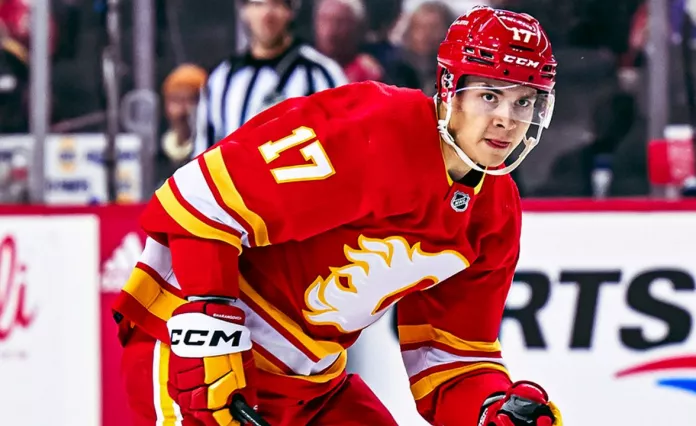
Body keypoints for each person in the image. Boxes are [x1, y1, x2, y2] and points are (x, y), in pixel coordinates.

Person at [114, 6, 561, 426]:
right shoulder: (372, 127)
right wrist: (210, 321)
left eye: (524, 102)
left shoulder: (495, 213)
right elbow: (201, 196)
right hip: (192, 348)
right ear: (449, 89)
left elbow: (453, 358)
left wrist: (491, 410)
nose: (507, 120)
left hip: (308, 384)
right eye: (489, 96)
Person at [193, 0, 347, 156]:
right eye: (258, 4)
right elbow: (204, 151)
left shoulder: (320, 73)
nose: (267, 14)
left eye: (276, 4)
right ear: (244, 11)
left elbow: (344, 142)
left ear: (290, 11)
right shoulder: (222, 78)